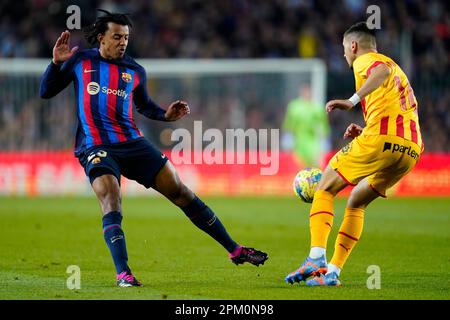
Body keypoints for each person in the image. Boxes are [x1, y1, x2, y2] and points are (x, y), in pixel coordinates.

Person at [40, 10, 268, 287]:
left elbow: (144, 106)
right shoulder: (81, 60)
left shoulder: (135, 71)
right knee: (111, 198)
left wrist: (166, 115)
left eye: (126, 37)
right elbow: (46, 92)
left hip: (133, 143)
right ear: (101, 37)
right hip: (96, 145)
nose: (122, 42)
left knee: (181, 192)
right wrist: (54, 64)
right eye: (116, 37)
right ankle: (123, 273)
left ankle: (235, 249)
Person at [285, 22, 423, 286]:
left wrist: (351, 100)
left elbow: (379, 71)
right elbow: (394, 107)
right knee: (357, 201)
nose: (345, 56)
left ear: (353, 45)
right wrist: (366, 131)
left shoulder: (368, 61)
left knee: (324, 187)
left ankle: (316, 258)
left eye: (344, 50)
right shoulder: (396, 68)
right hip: (410, 149)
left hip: (382, 139)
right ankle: (333, 273)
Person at [282, 84, 330, 167]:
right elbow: (288, 124)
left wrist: (324, 141)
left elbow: (323, 125)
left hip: (314, 143)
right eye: (305, 91)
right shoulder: (294, 107)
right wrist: (287, 139)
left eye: (309, 91)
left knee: (315, 169)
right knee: (297, 168)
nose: (307, 93)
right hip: (298, 143)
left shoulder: (317, 107)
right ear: (301, 92)